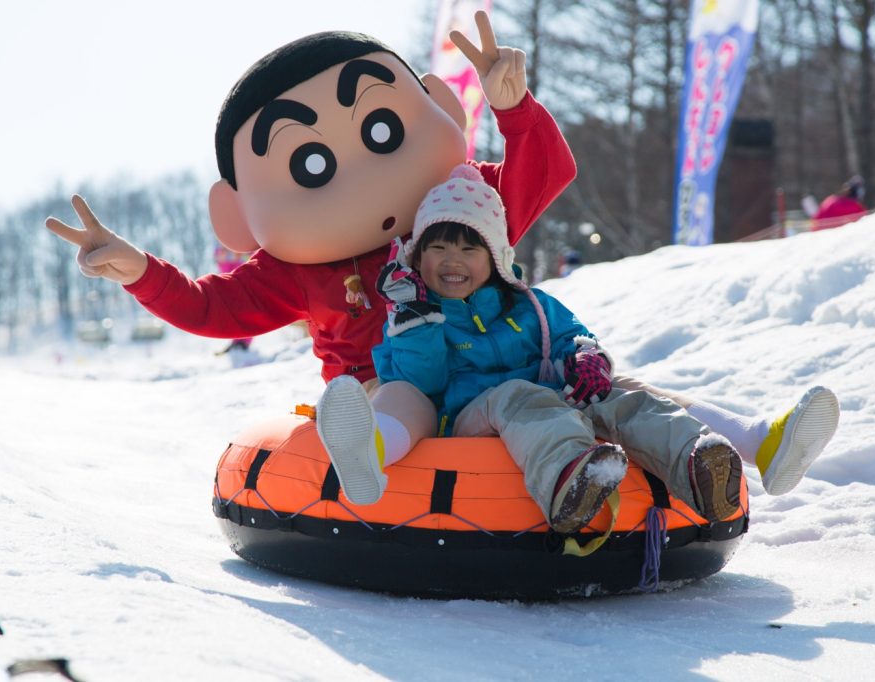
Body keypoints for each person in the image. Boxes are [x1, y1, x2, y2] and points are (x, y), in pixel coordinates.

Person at [45, 12, 836, 499]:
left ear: (435, 105)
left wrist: (515, 110)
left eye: (381, 130)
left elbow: (541, 174)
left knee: (624, 389)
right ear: (239, 215)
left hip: (507, 363)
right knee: (407, 405)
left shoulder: (451, 213)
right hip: (395, 388)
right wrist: (140, 270)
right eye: (310, 165)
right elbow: (214, 309)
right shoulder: (298, 269)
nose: (355, 170)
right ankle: (368, 457)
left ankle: (754, 442)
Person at [316, 164, 743, 533]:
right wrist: (417, 319)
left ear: (496, 258)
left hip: (548, 404)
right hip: (471, 415)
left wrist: (585, 359)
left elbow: (572, 335)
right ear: (418, 255)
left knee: (615, 396)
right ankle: (569, 481)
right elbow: (421, 383)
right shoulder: (416, 315)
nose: (452, 260)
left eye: (469, 249)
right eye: (438, 247)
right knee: (519, 396)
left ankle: (696, 461)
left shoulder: (531, 305)